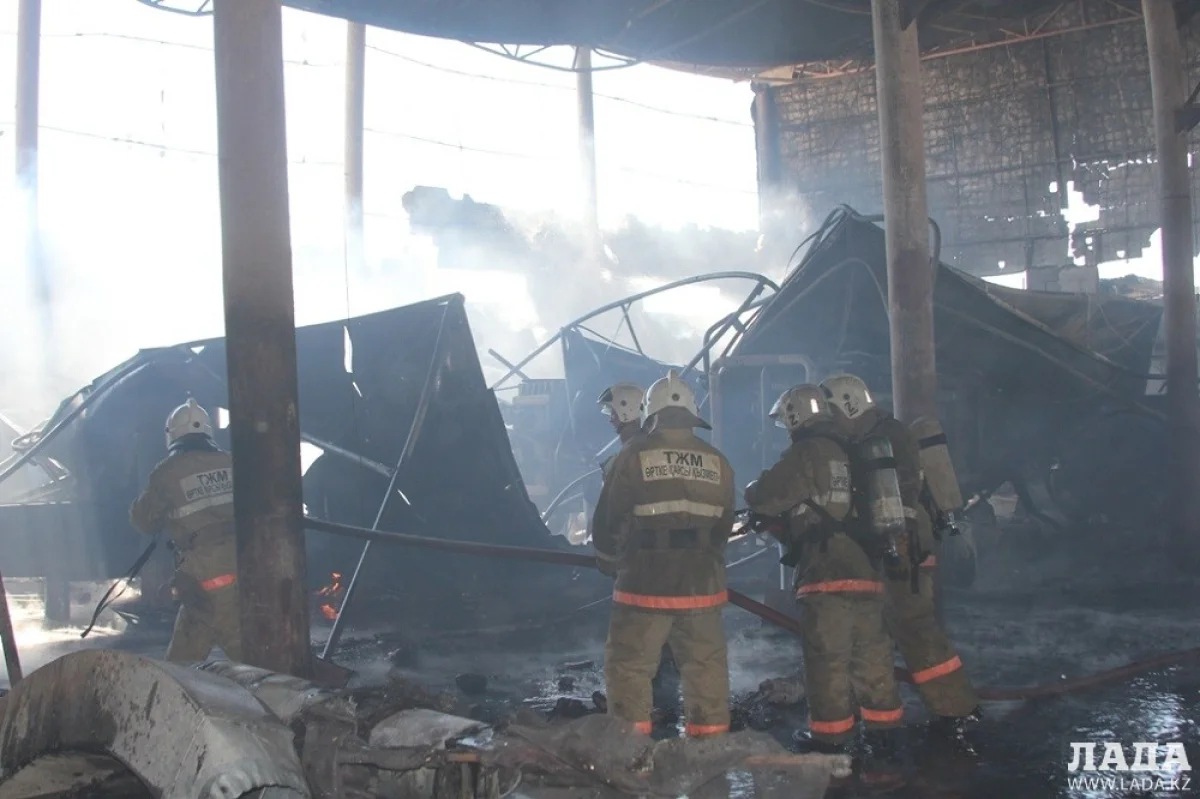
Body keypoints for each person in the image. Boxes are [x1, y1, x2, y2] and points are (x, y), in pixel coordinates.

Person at [819, 373, 982, 740]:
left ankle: (958, 710)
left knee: (913, 626)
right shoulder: (880, 434)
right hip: (899, 540)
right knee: (883, 627)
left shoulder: (881, 439)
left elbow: (893, 496)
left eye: (832, 410)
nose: (830, 420)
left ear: (849, 404)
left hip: (901, 542)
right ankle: (897, 708)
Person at [744, 384, 903, 755]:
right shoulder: (857, 450)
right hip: (868, 570)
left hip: (826, 572)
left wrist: (753, 492)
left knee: (827, 660)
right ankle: (886, 739)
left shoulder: (807, 452)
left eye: (786, 421)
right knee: (873, 660)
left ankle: (830, 741)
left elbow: (767, 495)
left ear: (796, 417)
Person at [592, 370, 735, 737]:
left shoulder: (633, 455)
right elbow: (723, 528)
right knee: (706, 671)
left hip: (645, 582)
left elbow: (609, 519)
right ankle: (710, 756)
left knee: (630, 668)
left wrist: (608, 561)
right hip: (703, 585)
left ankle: (633, 759)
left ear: (649, 411)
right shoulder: (718, 461)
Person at [129, 398, 241, 662]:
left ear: (171, 435)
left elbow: (144, 522)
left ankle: (293, 698)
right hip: (242, 566)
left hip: (207, 574)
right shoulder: (232, 461)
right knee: (183, 658)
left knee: (252, 659)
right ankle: (171, 696)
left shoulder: (167, 472)